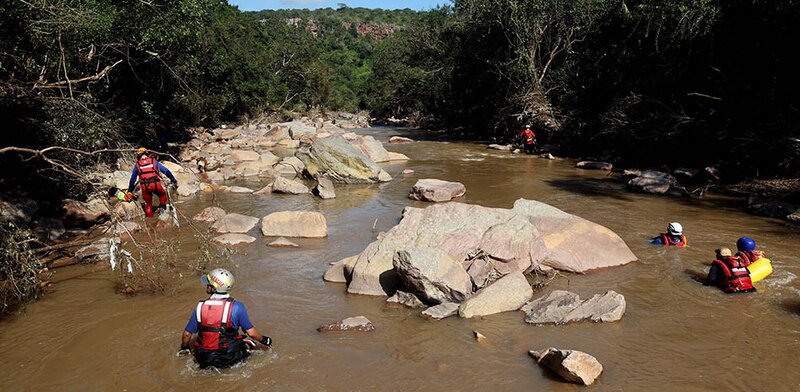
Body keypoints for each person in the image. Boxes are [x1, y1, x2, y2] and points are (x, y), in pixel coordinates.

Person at [179, 268, 272, 369]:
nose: (207, 286)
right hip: (230, 357)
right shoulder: (237, 307)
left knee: (197, 340)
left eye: (209, 284)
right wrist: (264, 340)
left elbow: (187, 334)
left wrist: (184, 348)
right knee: (250, 343)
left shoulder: (200, 307)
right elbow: (252, 333)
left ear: (214, 287)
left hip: (205, 359)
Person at [127, 147, 178, 218]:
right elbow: (166, 171)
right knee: (163, 196)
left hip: (145, 186)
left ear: (138, 156)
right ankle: (162, 210)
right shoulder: (153, 161)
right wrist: (173, 179)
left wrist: (130, 190)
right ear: (147, 154)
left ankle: (150, 223)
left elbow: (133, 179)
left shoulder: (137, 165)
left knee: (148, 204)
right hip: (156, 184)